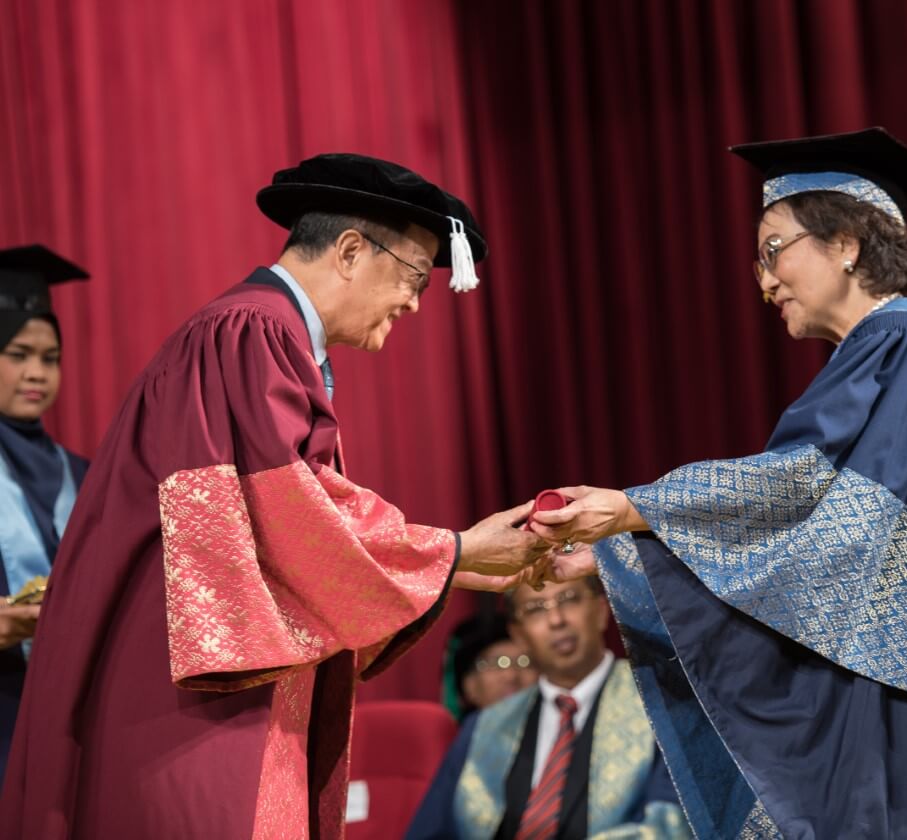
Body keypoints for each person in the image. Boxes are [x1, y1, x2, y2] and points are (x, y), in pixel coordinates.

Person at [529, 128, 907, 838]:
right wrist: (617, 547)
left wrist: (633, 511)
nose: (764, 281)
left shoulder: (900, 345)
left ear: (845, 244)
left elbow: (803, 492)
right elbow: (844, 539)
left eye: (774, 250)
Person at [0, 154, 548, 839]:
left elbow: (284, 524)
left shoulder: (268, 336)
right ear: (351, 250)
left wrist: (461, 559)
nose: (413, 301)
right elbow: (295, 516)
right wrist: (457, 553)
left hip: (225, 702)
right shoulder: (249, 333)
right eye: (413, 276)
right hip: (198, 717)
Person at [407, 578, 689, 839]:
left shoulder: (662, 704)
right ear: (518, 635)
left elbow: (671, 825)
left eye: (569, 599)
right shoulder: (484, 727)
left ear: (602, 610)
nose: (557, 620)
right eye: (536, 609)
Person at [0, 245, 89, 783]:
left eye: (50, 358)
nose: (37, 372)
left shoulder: (87, 475)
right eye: (17, 353)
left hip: (67, 721)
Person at [445, 613, 537, 720]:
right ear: (469, 684)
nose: (510, 676)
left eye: (524, 662)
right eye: (495, 663)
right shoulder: (468, 734)